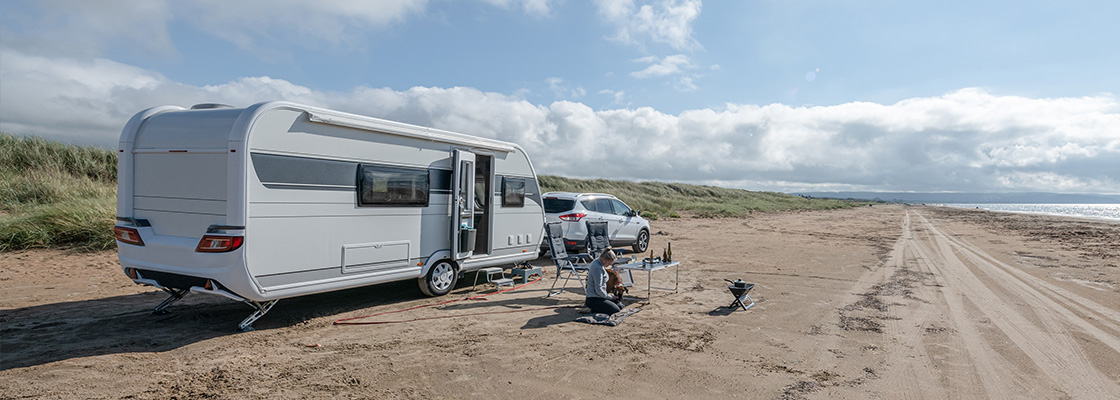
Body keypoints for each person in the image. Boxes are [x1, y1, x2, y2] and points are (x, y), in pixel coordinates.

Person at [585, 249, 623, 315]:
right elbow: (598, 289)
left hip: (601, 296)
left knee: (620, 306)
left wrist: (609, 297)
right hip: (594, 298)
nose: (609, 265)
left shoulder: (599, 264)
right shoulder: (597, 269)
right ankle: (591, 309)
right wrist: (610, 297)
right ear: (603, 259)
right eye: (609, 263)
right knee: (615, 310)